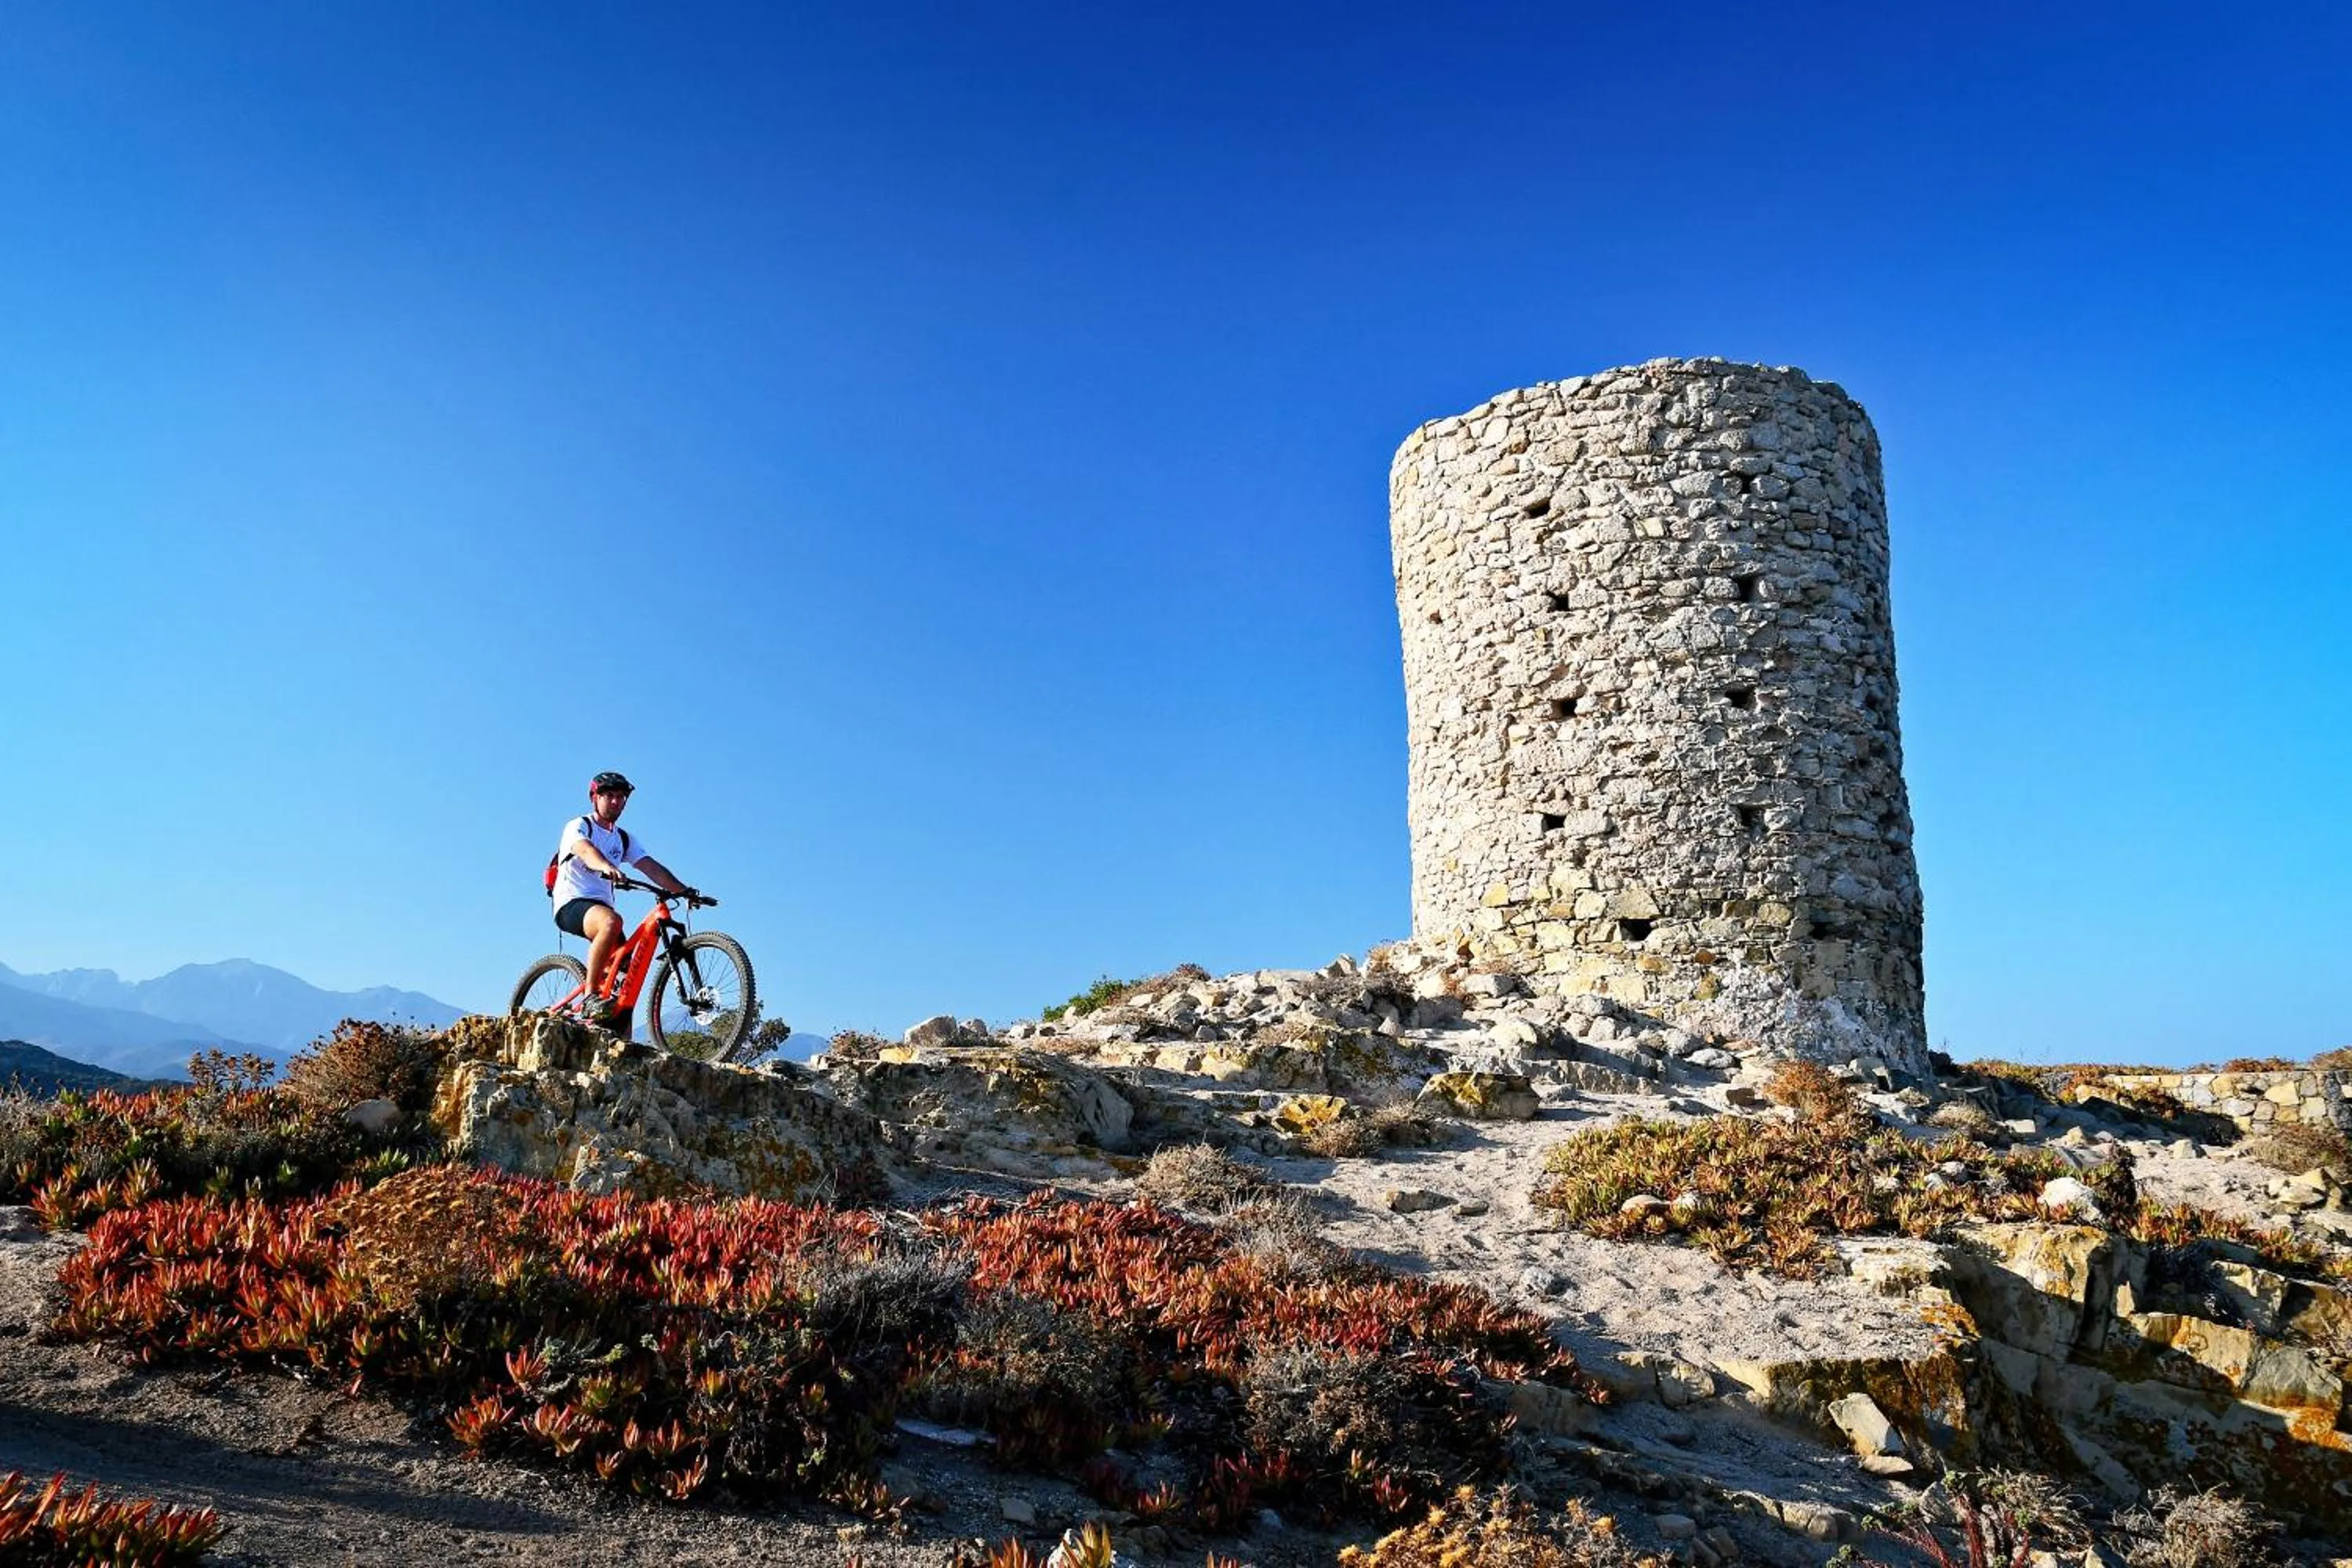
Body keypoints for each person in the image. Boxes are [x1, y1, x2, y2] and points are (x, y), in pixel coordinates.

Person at [549, 771, 712, 1026]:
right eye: (609, 796)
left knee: (627, 977)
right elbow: (585, 850)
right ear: (595, 798)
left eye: (621, 797)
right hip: (572, 902)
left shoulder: (623, 839)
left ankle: (619, 1034)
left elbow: (651, 867)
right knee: (612, 922)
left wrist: (684, 890)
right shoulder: (580, 826)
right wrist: (606, 866)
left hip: (601, 908)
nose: (616, 802)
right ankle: (590, 996)